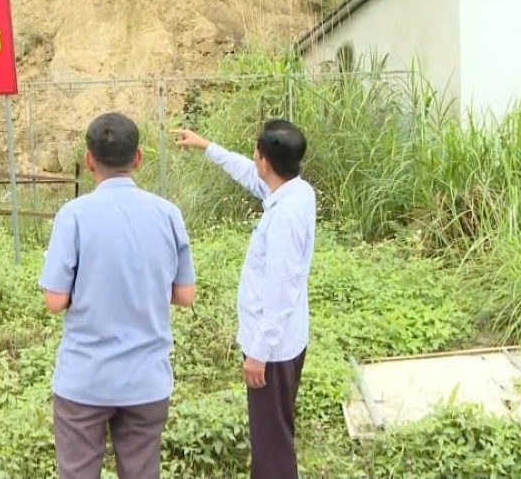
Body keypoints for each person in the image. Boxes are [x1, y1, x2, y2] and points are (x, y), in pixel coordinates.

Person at [40, 112, 197, 479]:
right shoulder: (167, 214)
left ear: (89, 160)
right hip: (147, 381)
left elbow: (55, 301)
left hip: (84, 381)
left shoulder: (73, 215)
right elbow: (186, 294)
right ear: (138, 158)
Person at [175, 121, 315, 479]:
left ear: (265, 161)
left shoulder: (284, 217)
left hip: (273, 351)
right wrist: (205, 145)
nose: (252, 157)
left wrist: (258, 354)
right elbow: (247, 174)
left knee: (271, 446)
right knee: (275, 434)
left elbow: (280, 292)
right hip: (286, 341)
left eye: (256, 151)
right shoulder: (297, 191)